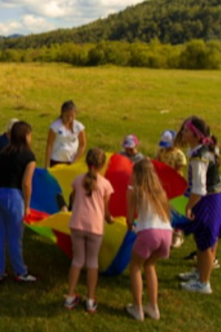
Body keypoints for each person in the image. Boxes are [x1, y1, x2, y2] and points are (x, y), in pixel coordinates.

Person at [174, 116, 221, 294]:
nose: (184, 133)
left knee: (205, 241)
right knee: (207, 237)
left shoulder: (199, 157)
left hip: (207, 200)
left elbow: (199, 188)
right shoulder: (209, 148)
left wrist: (189, 206)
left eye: (187, 131)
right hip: (217, 198)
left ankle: (203, 282)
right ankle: (201, 272)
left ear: (196, 135)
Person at [63, 148, 113, 312]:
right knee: (92, 262)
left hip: (77, 224)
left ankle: (70, 296)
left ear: (86, 162)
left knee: (77, 260)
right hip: (95, 227)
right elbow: (106, 212)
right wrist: (111, 219)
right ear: (103, 164)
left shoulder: (78, 180)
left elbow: (74, 199)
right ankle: (91, 300)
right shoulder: (105, 184)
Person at [125, 159, 174, 321]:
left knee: (135, 267)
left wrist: (130, 226)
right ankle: (153, 307)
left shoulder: (134, 190)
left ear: (137, 174)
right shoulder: (160, 193)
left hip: (149, 233)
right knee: (150, 265)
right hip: (166, 234)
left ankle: (137, 308)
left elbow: (130, 218)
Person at [0, 121, 37, 284]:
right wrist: (27, 206)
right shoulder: (29, 156)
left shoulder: (4, 152)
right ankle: (20, 271)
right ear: (25, 136)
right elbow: (26, 183)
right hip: (13, 195)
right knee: (15, 237)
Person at [155, 129, 188, 248]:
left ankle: (177, 233)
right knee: (163, 206)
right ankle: (164, 231)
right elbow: (157, 164)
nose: (166, 148)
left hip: (175, 185)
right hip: (163, 184)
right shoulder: (161, 152)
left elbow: (178, 172)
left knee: (177, 207)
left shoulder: (179, 155)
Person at [45, 100, 86, 169]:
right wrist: (46, 165)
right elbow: (49, 145)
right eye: (67, 116)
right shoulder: (55, 126)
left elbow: (82, 144)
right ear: (62, 113)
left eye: (72, 116)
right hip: (56, 160)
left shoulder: (79, 127)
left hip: (71, 162)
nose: (69, 119)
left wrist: (75, 160)